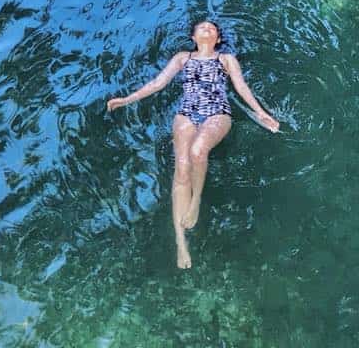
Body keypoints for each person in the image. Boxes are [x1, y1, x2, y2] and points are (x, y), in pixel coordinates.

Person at [106, 19, 280, 269]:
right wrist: (126, 100)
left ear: (217, 38)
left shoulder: (226, 59)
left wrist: (261, 113)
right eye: (202, 27)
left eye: (212, 28)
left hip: (217, 113)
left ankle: (196, 199)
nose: (207, 28)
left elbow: (241, 87)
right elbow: (158, 83)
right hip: (186, 114)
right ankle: (181, 242)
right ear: (193, 37)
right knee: (182, 168)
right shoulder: (183, 58)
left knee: (198, 151)